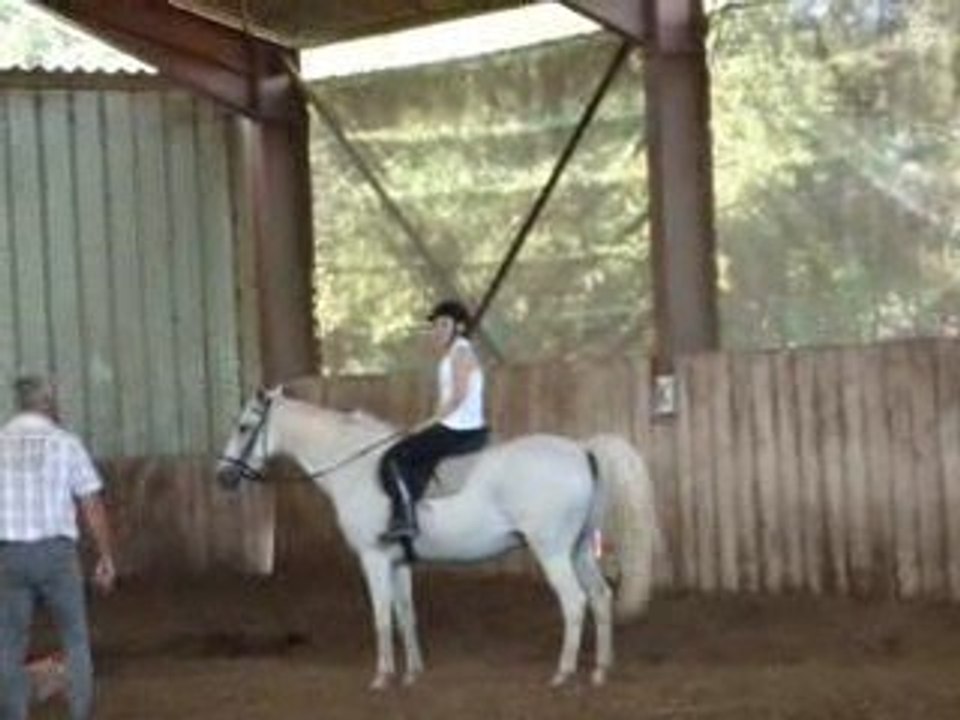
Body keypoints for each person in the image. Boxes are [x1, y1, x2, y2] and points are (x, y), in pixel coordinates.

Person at [0, 375, 116, 720]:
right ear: (48, 403)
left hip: (10, 553)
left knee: (10, 643)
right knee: (75, 638)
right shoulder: (66, 443)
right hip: (56, 553)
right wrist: (105, 555)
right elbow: (91, 503)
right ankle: (79, 714)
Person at [379, 300, 490, 542]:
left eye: (443, 324)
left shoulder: (461, 352)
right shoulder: (453, 353)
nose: (437, 331)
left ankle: (405, 518)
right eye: (435, 326)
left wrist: (426, 425)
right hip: (455, 425)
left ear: (458, 327)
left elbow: (458, 397)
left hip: (459, 429)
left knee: (393, 458)